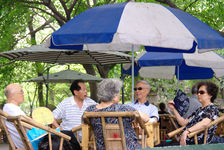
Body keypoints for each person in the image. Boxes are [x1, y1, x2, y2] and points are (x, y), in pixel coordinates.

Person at [84, 78, 147, 150]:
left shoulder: (90, 110)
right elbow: (146, 118)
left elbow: (84, 123)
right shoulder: (124, 109)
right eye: (119, 93)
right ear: (114, 96)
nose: (120, 95)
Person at [168, 81, 219, 145]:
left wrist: (187, 131)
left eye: (202, 92)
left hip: (196, 144)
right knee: (159, 145)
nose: (198, 94)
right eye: (198, 92)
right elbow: (183, 122)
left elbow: (204, 123)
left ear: (210, 95)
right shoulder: (199, 110)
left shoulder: (212, 109)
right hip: (185, 141)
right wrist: (173, 109)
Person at [3, 83, 27, 149]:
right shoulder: (12, 110)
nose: (23, 94)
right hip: (29, 144)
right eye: (21, 92)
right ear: (13, 95)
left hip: (25, 142)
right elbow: (31, 126)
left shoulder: (9, 108)